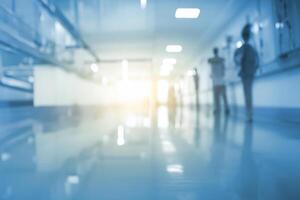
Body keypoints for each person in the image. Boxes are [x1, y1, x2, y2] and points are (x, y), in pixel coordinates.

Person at [234, 24, 259, 122]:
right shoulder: (251, 49)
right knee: (248, 93)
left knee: (247, 93)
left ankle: (249, 114)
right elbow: (257, 62)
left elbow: (236, 61)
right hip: (249, 73)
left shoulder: (242, 49)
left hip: (246, 74)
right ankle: (249, 113)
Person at [208, 47, 230, 115]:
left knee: (216, 97)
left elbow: (209, 61)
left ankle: (217, 109)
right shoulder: (221, 60)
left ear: (213, 52)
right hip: (221, 81)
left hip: (215, 82)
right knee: (224, 96)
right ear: (217, 52)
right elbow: (223, 70)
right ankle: (226, 108)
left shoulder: (211, 60)